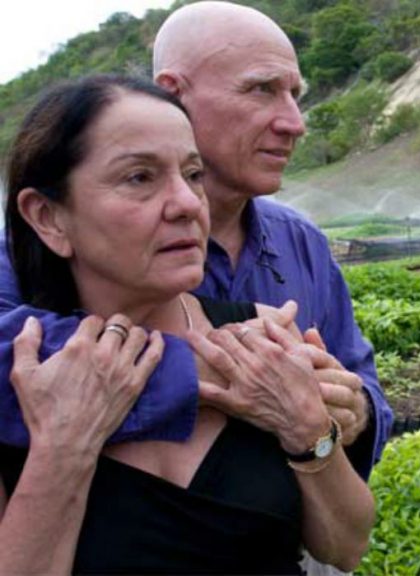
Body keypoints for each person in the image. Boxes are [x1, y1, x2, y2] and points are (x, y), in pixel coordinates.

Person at [0, 0, 392, 481]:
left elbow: (359, 377)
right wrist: (217, 370)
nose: (295, 122)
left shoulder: (303, 243)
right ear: (174, 95)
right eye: (262, 90)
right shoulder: (36, 247)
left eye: (295, 94)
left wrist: (352, 410)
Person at [0, 74, 375, 574]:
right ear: (47, 217)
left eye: (193, 175)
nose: (186, 204)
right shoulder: (25, 380)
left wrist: (309, 429)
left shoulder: (262, 338)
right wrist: (64, 450)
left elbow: (346, 547)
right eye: (139, 178)